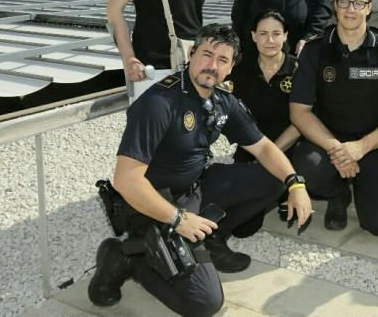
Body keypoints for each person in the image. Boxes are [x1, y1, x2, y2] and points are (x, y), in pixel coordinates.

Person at [87, 24, 312, 317]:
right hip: (151, 205)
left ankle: (211, 236)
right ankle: (127, 257)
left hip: (195, 188)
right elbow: (126, 179)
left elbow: (265, 148)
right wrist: (178, 220)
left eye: (222, 60)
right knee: (205, 303)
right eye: (206, 54)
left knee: (273, 179)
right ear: (191, 54)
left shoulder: (221, 101)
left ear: (231, 68)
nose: (212, 65)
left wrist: (296, 184)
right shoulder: (158, 103)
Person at [289, 0, 378, 236]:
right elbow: (299, 111)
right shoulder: (315, 50)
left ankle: (369, 184)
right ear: (335, 5)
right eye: (344, 2)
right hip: (328, 145)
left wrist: (361, 148)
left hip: (374, 147)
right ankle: (338, 193)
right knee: (306, 167)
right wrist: (338, 150)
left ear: (369, 7)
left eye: (358, 3)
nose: (350, 9)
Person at [229, 10, 301, 164]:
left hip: (290, 147)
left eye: (276, 33)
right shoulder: (240, 68)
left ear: (285, 36)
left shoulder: (299, 70)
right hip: (251, 147)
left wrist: (268, 156)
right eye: (263, 33)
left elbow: (302, 121)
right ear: (254, 36)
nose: (270, 40)